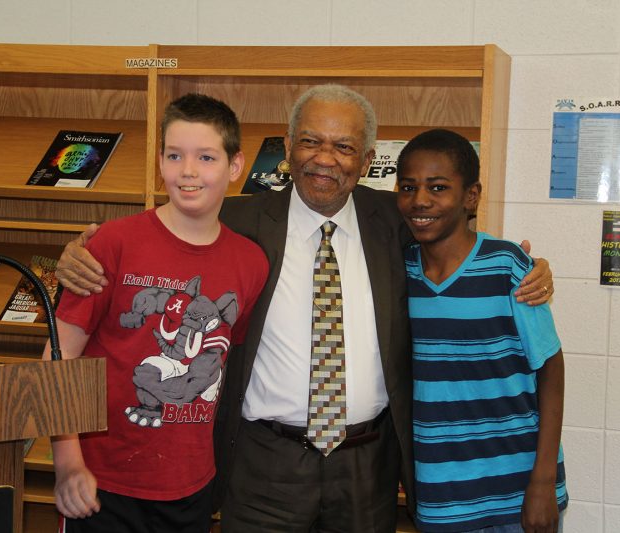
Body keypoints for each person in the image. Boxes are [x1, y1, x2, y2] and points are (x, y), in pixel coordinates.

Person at [55, 84, 554, 532]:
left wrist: (526, 267)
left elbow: (455, 238)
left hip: (367, 464)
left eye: (344, 147)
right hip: (264, 464)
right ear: (288, 147)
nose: (326, 159)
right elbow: (163, 238)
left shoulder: (396, 219)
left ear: (367, 159)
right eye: (311, 141)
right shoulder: (235, 221)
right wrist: (78, 253)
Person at [43, 93, 269, 533]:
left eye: (206, 157)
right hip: (102, 481)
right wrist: (67, 462)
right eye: (174, 155)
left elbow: (222, 359)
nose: (188, 171)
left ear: (235, 166)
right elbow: (57, 358)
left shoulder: (251, 262)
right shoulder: (113, 243)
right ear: (159, 161)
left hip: (192, 484)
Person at [395, 129, 567, 533]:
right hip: (441, 492)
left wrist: (542, 480)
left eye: (438, 187)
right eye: (408, 187)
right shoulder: (397, 271)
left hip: (520, 485)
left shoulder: (508, 266)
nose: (420, 200)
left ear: (471, 197)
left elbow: (551, 371)